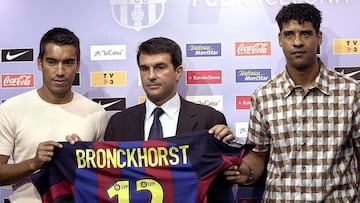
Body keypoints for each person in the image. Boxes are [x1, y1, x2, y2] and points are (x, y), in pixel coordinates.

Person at [225, 3, 360, 202]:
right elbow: (257, 156)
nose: (297, 42)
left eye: (305, 33)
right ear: (280, 39)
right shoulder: (264, 96)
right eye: (289, 34)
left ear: (318, 38)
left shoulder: (352, 92)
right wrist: (245, 172)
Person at [103, 37, 237, 202]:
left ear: (178, 71)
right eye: (145, 68)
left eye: (160, 67)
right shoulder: (119, 123)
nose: (151, 76)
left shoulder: (209, 120)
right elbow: (106, 180)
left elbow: (223, 181)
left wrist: (231, 157)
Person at [0, 27, 108, 203]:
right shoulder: (11, 109)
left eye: (68, 62)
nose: (59, 71)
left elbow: (104, 177)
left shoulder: (97, 113)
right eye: (52, 62)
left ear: (77, 65)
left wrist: (81, 156)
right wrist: (33, 163)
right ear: (39, 63)